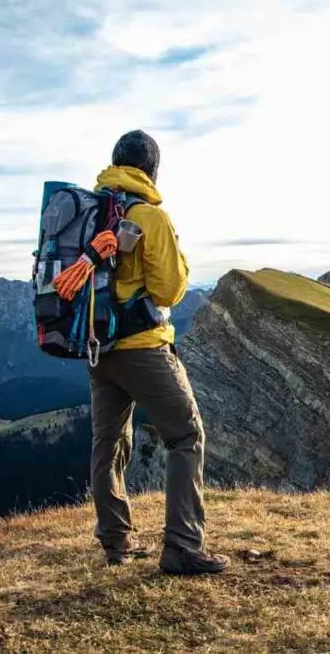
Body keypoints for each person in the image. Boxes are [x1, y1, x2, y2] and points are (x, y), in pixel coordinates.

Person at [88, 130, 229, 575]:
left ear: (115, 163)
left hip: (97, 347)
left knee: (108, 445)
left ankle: (116, 544)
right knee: (186, 435)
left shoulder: (92, 212)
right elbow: (170, 288)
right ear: (152, 170)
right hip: (142, 347)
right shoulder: (150, 217)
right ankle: (183, 547)